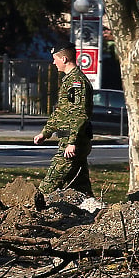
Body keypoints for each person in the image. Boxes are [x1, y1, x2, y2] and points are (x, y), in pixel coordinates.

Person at [33, 41, 94, 196]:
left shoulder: (76, 82)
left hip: (72, 143)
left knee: (49, 184)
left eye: (55, 58)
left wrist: (72, 142)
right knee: (81, 187)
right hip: (71, 140)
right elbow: (61, 112)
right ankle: (93, 213)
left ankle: (31, 211)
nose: (53, 62)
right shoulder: (68, 81)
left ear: (64, 59)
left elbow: (79, 114)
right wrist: (45, 133)